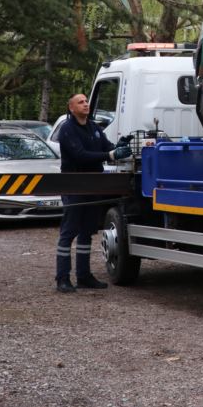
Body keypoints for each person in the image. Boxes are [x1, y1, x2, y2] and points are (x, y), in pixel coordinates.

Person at [55, 93, 132, 293]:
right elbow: (80, 156)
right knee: (69, 232)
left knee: (87, 232)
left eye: (86, 101)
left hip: (93, 185)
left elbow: (107, 148)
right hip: (74, 184)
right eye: (80, 102)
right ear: (71, 108)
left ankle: (83, 276)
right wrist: (109, 155)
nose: (86, 104)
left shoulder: (94, 128)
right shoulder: (67, 130)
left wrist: (119, 146)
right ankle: (62, 277)